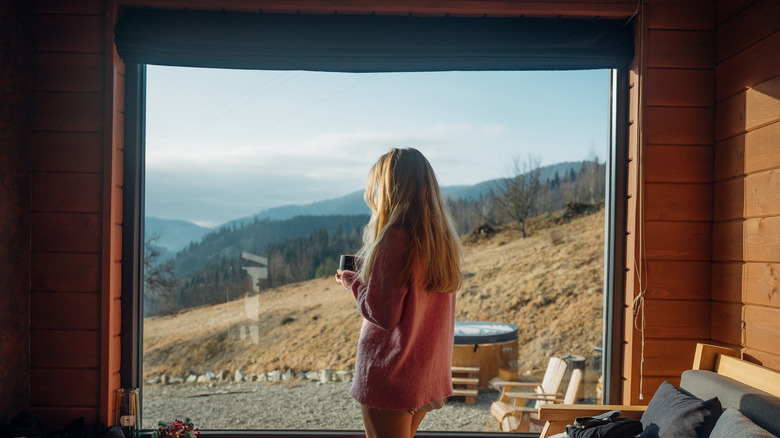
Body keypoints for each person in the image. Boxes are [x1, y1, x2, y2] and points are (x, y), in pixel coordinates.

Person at [335, 147, 463, 438]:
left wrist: (353, 282)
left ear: (390, 189)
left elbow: (383, 314)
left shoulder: (394, 238)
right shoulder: (441, 240)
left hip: (391, 375)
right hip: (423, 375)